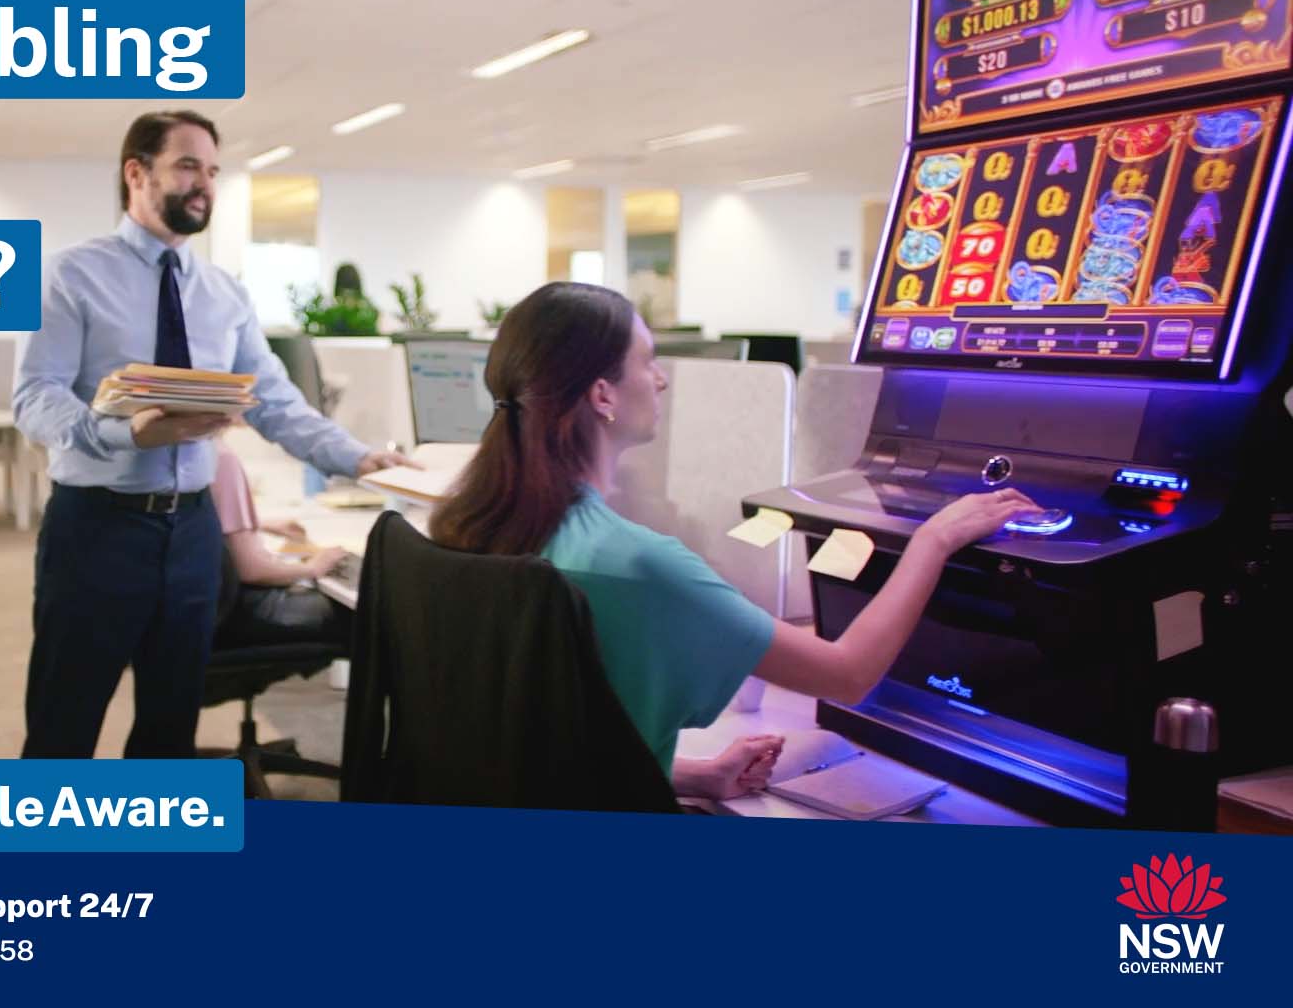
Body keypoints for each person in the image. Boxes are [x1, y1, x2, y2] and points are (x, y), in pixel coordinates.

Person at [428, 283, 1040, 800]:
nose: (660, 381)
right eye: (647, 362)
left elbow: (540, 742)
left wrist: (693, 775)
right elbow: (849, 674)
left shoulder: (471, 526)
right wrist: (933, 539)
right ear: (603, 394)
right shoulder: (636, 565)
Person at [13, 109, 409, 758]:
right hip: (98, 529)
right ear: (136, 173)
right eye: (188, 166)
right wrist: (123, 434)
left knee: (171, 731)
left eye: (214, 170)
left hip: (193, 532)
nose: (205, 185)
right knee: (64, 726)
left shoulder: (224, 293)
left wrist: (358, 457)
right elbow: (34, 397)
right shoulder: (70, 275)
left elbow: (274, 399)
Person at [210, 442, 349, 648]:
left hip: (215, 609)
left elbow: (212, 526)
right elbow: (251, 570)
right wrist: (312, 567)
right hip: (245, 610)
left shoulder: (200, 448)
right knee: (363, 612)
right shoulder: (222, 457)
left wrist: (258, 524)